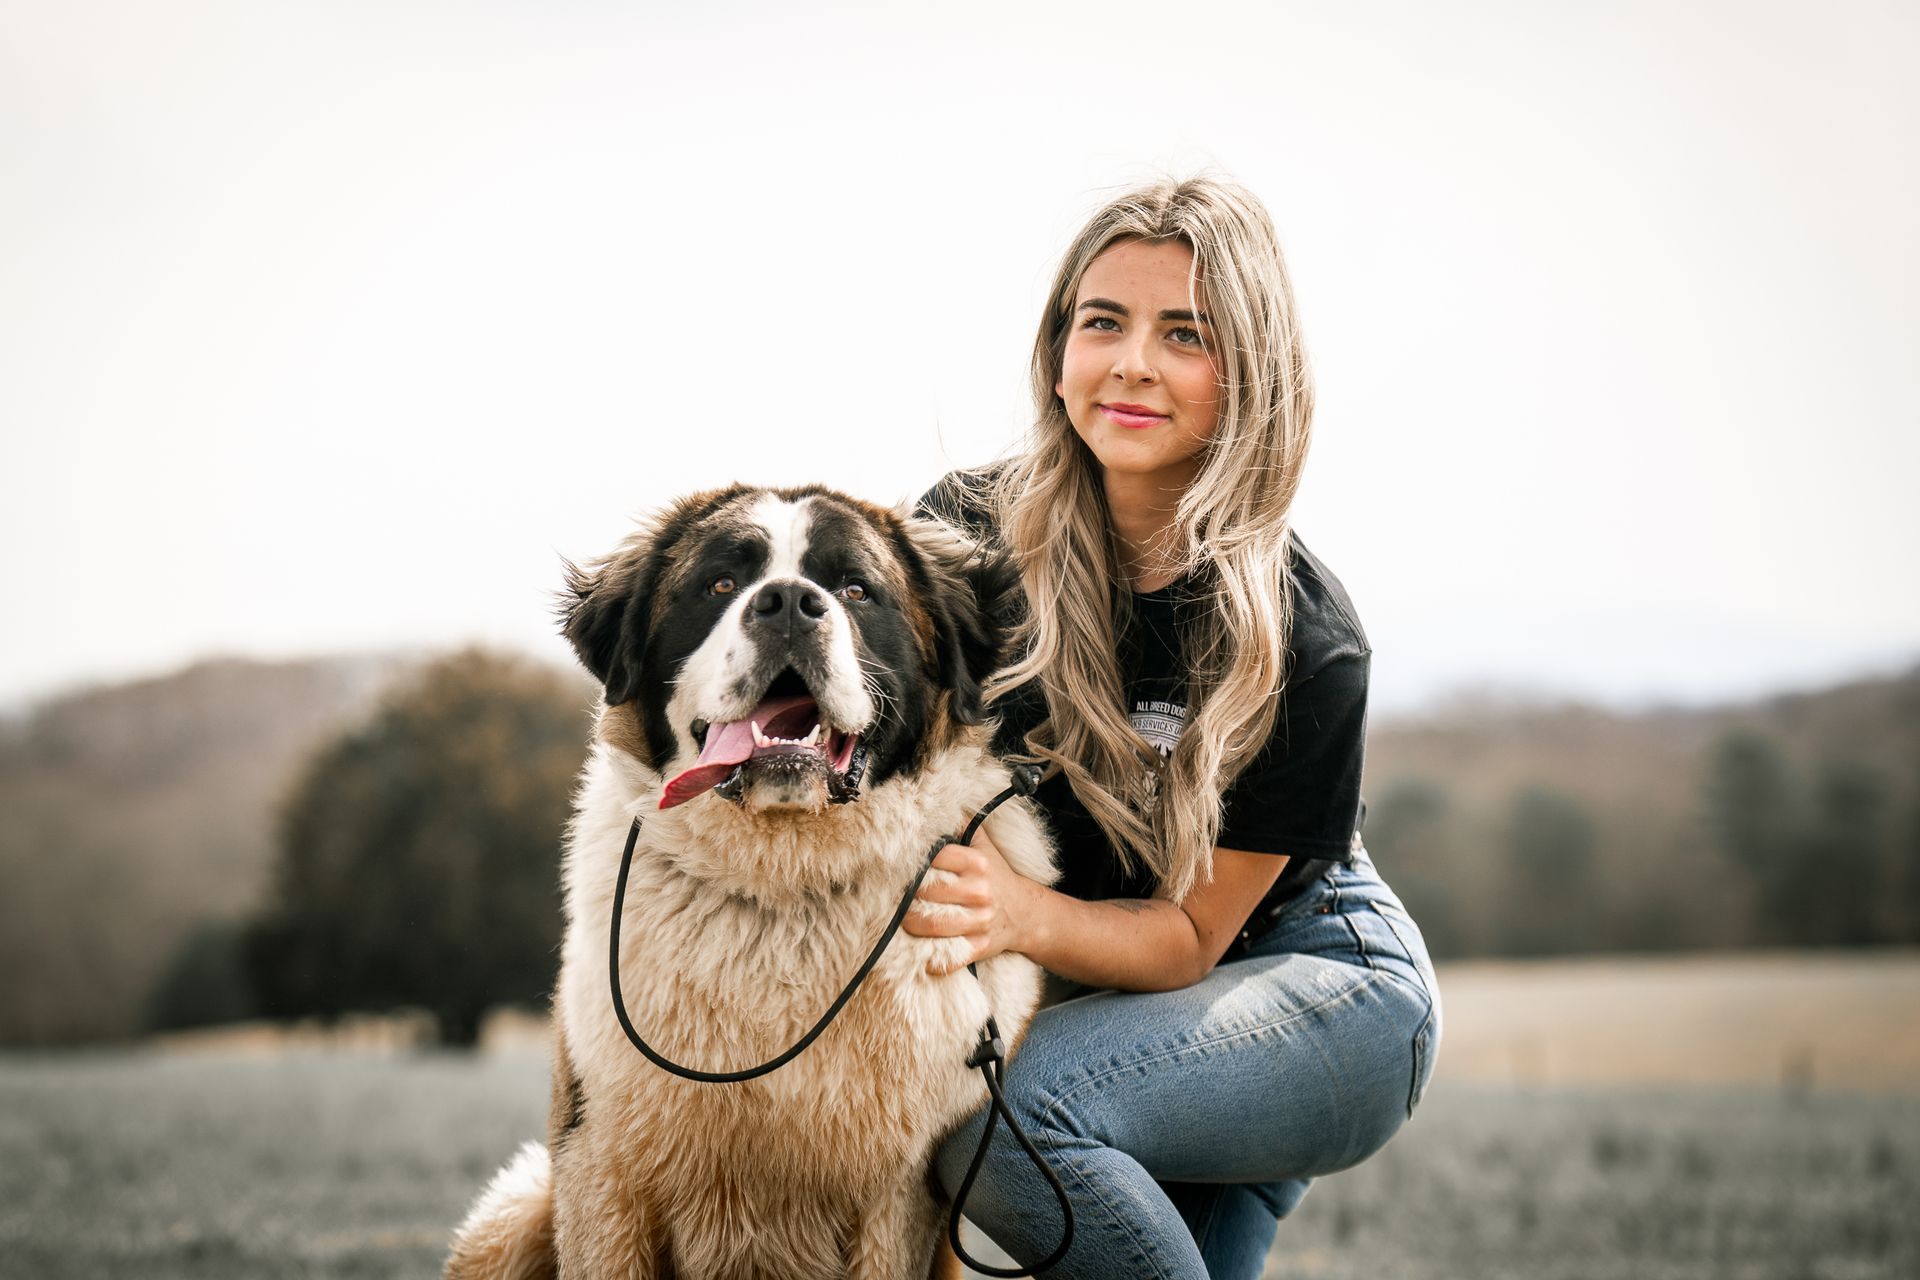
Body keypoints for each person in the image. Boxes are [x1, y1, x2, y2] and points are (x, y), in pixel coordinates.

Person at [906, 176, 1441, 1280]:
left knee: (1000, 1122)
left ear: (1250, 373)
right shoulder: (961, 538)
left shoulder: (1300, 634)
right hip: (1138, 1017)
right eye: (1102, 321)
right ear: (1059, 351)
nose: (1132, 361)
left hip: (1312, 987)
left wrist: (1017, 913)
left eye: (1185, 334)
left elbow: (1190, 938)